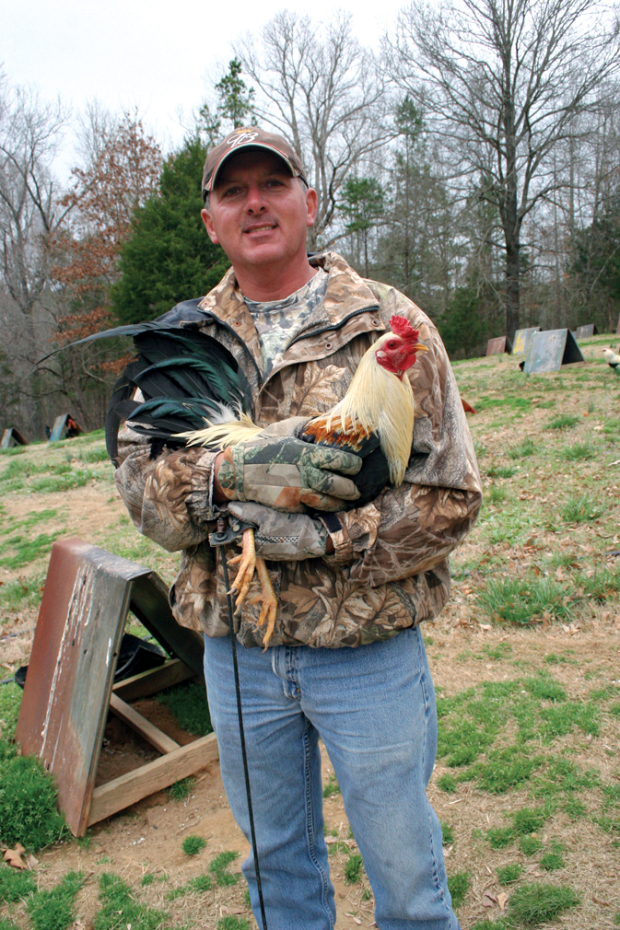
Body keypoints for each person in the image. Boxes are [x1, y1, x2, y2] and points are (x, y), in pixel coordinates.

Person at [114, 127, 482, 930]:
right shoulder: (180, 341)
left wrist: (330, 540)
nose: (255, 202)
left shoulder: (389, 323)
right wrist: (221, 478)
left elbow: (453, 497)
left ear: (308, 204)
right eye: (232, 191)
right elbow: (143, 499)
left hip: (368, 652)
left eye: (272, 184)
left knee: (407, 878)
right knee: (277, 874)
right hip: (239, 654)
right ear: (209, 219)